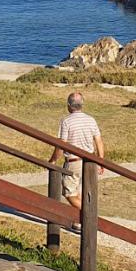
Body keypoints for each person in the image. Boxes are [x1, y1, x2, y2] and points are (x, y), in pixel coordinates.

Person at [47, 91, 104, 233]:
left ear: (69, 106)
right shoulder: (91, 120)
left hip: (74, 161)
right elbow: (98, 141)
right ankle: (80, 222)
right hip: (90, 161)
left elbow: (62, 144)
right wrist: (101, 161)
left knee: (69, 192)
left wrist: (53, 160)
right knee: (80, 192)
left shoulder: (66, 121)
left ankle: (91, 217)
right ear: (82, 105)